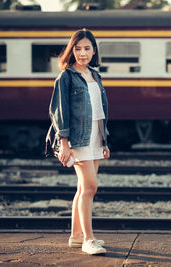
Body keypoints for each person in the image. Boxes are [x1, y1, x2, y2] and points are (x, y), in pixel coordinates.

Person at [47, 28, 110, 255]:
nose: (82, 53)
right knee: (90, 187)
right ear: (71, 50)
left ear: (94, 51)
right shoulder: (66, 76)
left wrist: (104, 141)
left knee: (83, 188)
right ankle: (89, 240)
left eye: (87, 48)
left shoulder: (95, 75)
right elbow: (58, 112)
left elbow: (101, 111)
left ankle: (76, 236)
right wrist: (64, 143)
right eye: (78, 48)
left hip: (95, 136)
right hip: (78, 139)